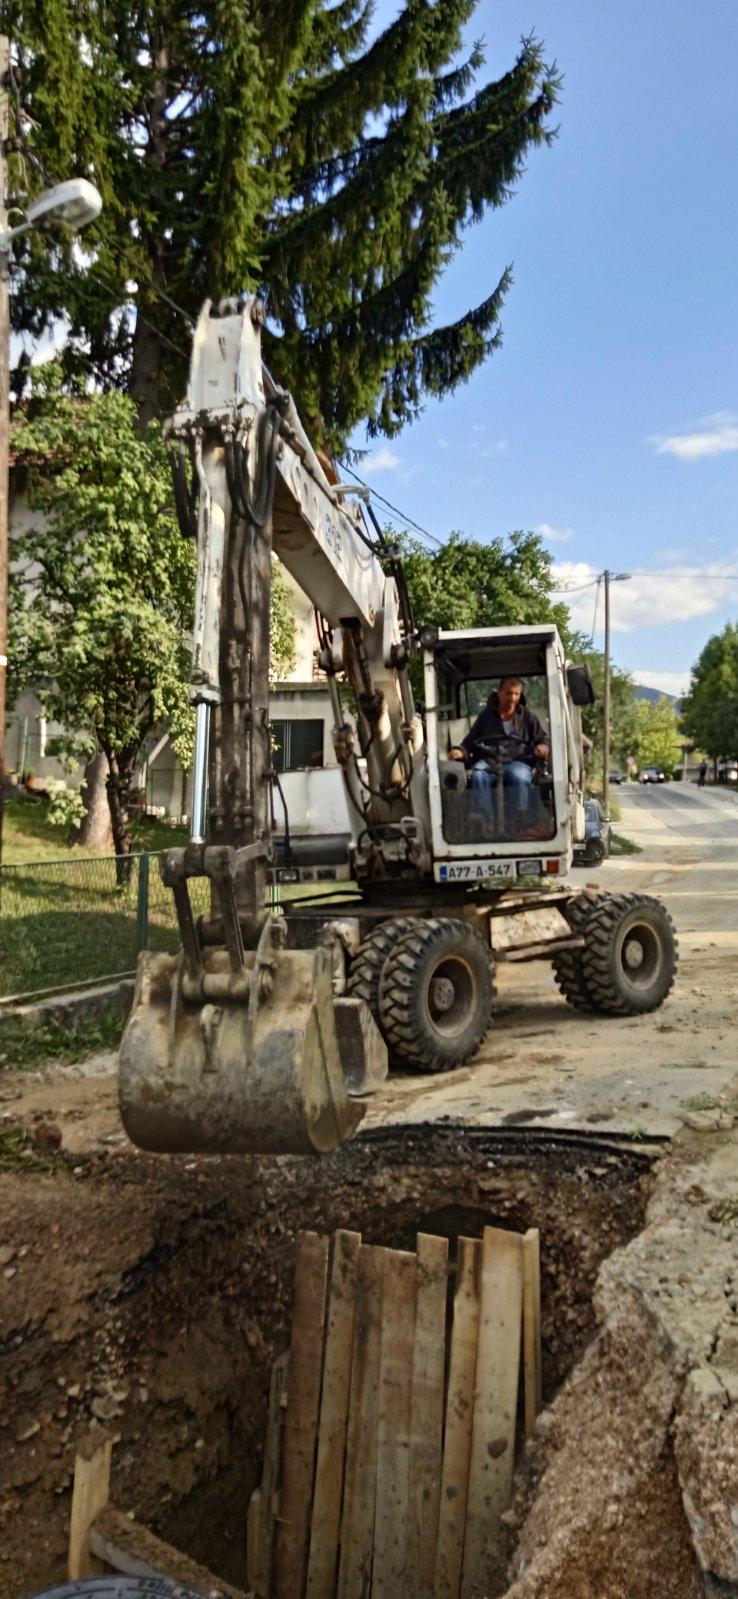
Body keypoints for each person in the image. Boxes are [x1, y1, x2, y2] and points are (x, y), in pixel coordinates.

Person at [448, 676, 550, 828]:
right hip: (490, 761)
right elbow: (470, 741)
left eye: (516, 694)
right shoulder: (486, 717)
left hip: (519, 761)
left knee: (518, 776)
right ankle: (485, 823)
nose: (512, 698)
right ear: (499, 693)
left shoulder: (528, 717)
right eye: (509, 693)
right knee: (478, 776)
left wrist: (543, 748)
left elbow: (543, 740)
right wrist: (460, 751)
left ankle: (520, 821)